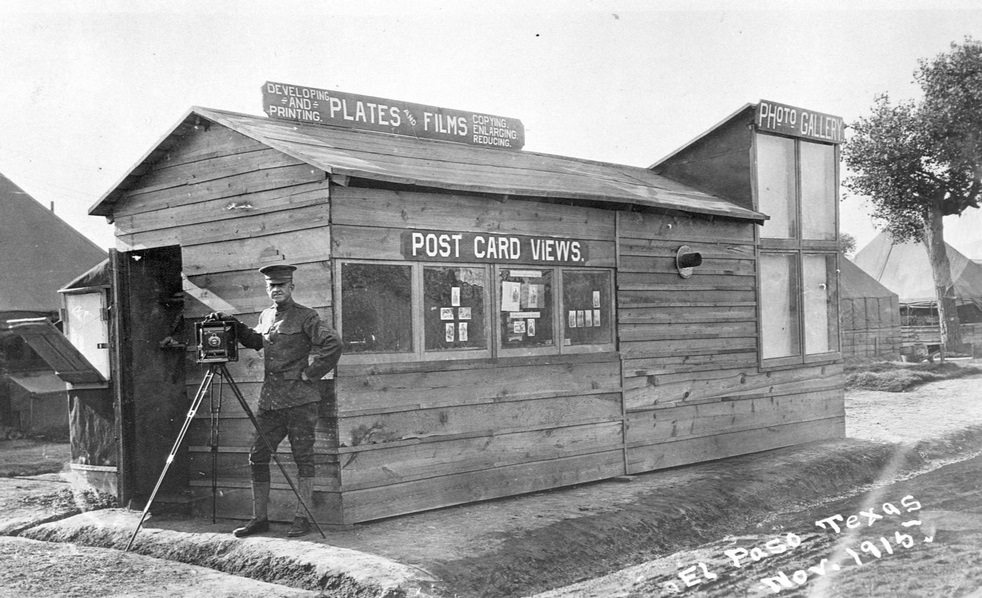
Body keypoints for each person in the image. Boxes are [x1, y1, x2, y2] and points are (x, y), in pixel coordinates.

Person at [214, 263, 342, 538]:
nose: (276, 291)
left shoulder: (306, 317)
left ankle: (302, 517)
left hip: (299, 401)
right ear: (267, 289)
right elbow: (257, 342)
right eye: (272, 286)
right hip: (271, 402)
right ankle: (259, 519)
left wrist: (311, 374)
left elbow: (334, 344)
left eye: (281, 286)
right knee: (257, 456)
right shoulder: (266, 315)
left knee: (303, 459)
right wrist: (232, 324)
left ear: (291, 287)